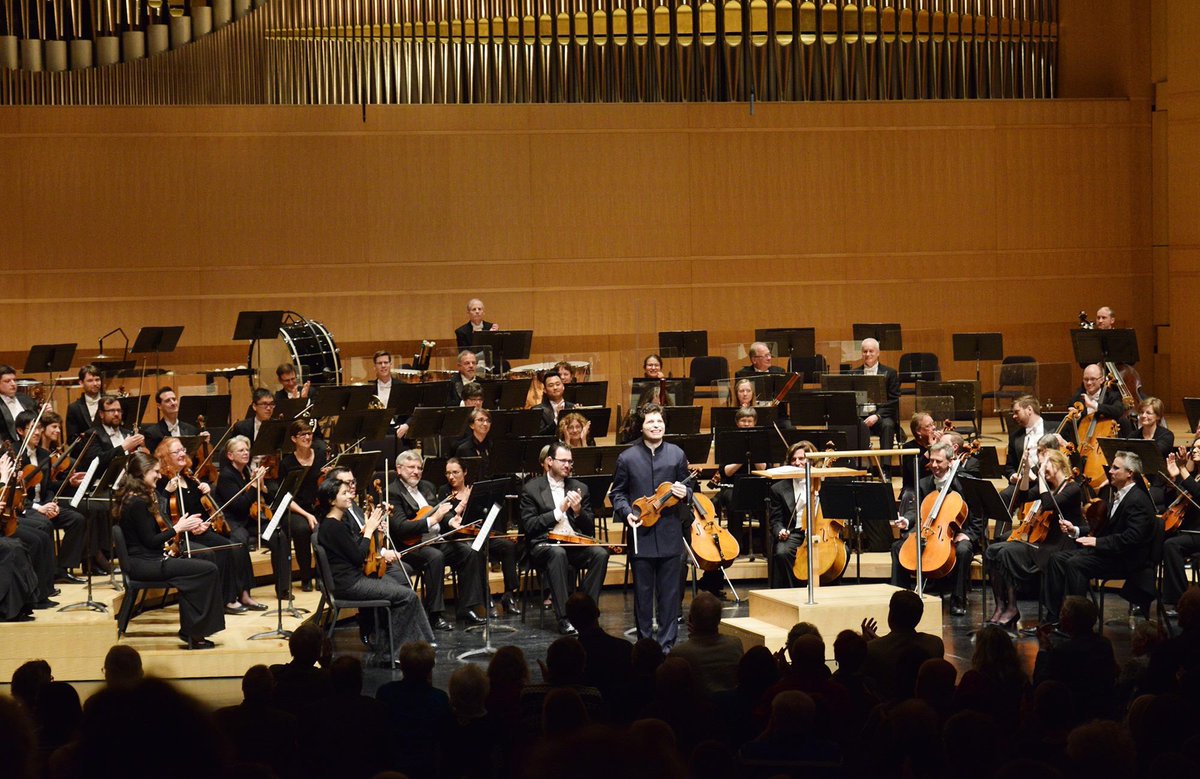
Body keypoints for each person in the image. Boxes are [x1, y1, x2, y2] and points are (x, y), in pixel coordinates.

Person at [314, 476, 434, 660]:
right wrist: (369, 530)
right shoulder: (332, 527)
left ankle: (423, 643)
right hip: (350, 584)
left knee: (402, 589)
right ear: (331, 500)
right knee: (407, 596)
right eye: (344, 493)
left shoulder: (336, 523)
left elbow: (352, 549)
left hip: (353, 578)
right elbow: (357, 557)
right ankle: (397, 651)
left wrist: (368, 531)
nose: (349, 496)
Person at [113, 451, 224, 648]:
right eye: (155, 472)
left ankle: (192, 631)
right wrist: (179, 528)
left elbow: (153, 532)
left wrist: (181, 525)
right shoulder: (137, 502)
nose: (159, 475)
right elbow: (151, 541)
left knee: (205, 565)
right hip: (145, 564)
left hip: (147, 560)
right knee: (207, 569)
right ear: (143, 472)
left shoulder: (136, 497)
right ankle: (194, 633)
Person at [611, 404, 691, 649]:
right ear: (641, 426)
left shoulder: (677, 454)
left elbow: (690, 489)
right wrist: (627, 513)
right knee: (643, 597)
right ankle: (645, 647)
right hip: (640, 534)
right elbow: (618, 494)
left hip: (670, 534)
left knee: (669, 597)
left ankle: (667, 646)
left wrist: (684, 491)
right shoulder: (627, 457)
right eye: (650, 422)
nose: (656, 426)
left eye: (659, 421)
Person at [155, 436, 264, 613]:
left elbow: (203, 511)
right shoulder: (163, 482)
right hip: (180, 536)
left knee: (237, 545)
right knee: (222, 548)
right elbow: (163, 514)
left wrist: (205, 517)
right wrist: (168, 493)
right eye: (177, 452)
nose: (183, 454)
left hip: (199, 531)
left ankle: (244, 594)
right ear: (166, 457)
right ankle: (226, 600)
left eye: (183, 450)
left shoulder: (189, 478)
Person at [1044, 451, 1156, 623]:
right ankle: (1055, 618)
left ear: (1129, 473)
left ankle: (1077, 622)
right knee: (1056, 559)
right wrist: (1075, 530)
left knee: (1076, 563)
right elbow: (1104, 527)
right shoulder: (1121, 494)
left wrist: (1097, 541)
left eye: (1115, 468)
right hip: (1110, 553)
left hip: (1127, 559)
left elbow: (1131, 538)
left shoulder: (1138, 499)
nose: (1110, 471)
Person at [984, 449, 1085, 629]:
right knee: (992, 550)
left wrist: (1039, 476)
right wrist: (1025, 472)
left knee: (1007, 552)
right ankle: (1003, 606)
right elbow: (1022, 496)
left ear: (1059, 464)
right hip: (1041, 542)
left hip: (1057, 546)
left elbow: (1048, 504)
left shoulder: (1072, 488)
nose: (1043, 468)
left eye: (1047, 464)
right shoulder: (1047, 486)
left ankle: (1012, 608)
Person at [388, 450, 487, 628]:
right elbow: (401, 528)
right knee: (435, 557)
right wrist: (433, 520)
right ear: (399, 469)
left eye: (419, 468)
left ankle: (467, 607)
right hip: (410, 545)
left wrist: (451, 520)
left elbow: (440, 509)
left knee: (468, 551)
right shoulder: (393, 492)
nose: (416, 472)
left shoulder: (426, 486)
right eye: (411, 467)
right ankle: (435, 614)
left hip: (436, 539)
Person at [520, 441, 608, 634]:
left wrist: (578, 512)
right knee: (557, 554)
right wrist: (557, 512)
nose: (568, 465)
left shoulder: (580, 488)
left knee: (600, 554)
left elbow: (589, 529)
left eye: (570, 461)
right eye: (563, 461)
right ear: (550, 461)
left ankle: (584, 610)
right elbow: (530, 526)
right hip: (544, 544)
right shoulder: (531, 489)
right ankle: (564, 618)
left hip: (573, 543)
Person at [890, 441, 984, 616]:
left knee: (962, 551)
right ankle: (899, 599)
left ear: (950, 461)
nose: (934, 465)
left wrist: (969, 535)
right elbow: (915, 510)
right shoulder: (924, 484)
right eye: (932, 461)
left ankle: (958, 600)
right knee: (897, 547)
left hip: (958, 535)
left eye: (939, 461)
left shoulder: (965, 483)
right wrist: (907, 521)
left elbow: (978, 516)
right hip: (931, 532)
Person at [12, 411, 87, 584]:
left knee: (77, 519)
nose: (37, 432)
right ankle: (44, 575)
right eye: (32, 429)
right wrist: (39, 508)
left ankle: (61, 569)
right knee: (44, 524)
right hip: (25, 508)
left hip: (43, 504)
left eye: (39, 428)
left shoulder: (44, 455)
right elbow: (14, 493)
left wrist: (52, 503)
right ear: (20, 431)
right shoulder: (13, 454)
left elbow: (47, 488)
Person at [439, 457, 520, 615]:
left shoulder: (475, 489)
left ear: (465, 472)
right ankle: (486, 597)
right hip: (458, 539)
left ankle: (509, 594)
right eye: (448, 473)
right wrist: (463, 505)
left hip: (477, 533)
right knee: (478, 550)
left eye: (455, 472)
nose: (451, 477)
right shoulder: (444, 492)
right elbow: (446, 518)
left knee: (508, 546)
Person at [861, 589, 945, 701]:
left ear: (891, 615)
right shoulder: (935, 643)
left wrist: (867, 644)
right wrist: (878, 641)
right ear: (918, 617)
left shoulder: (872, 649)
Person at [278, 419, 329, 591]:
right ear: (293, 439)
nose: (307, 437)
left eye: (309, 434)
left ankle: (322, 575)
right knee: (302, 529)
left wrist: (331, 476)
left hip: (318, 506)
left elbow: (327, 487)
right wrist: (307, 515)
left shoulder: (321, 456)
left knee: (327, 527)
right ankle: (306, 576)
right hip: (296, 509)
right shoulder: (286, 463)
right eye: (303, 435)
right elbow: (285, 497)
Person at [670, 591, 744, 694]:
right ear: (719, 620)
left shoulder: (679, 653)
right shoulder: (735, 645)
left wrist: (695, 637)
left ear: (690, 619)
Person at [768, 441, 816, 588]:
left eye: (802, 459)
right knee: (782, 552)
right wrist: (780, 530)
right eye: (793, 459)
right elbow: (775, 520)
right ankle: (794, 589)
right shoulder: (778, 488)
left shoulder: (823, 482)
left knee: (844, 553)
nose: (797, 463)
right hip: (795, 532)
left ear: (811, 460)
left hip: (819, 531)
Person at [1163, 438, 1200, 615]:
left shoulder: (1192, 477)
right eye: (1195, 446)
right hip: (1189, 530)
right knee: (1153, 535)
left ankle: (1180, 601)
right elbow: (1174, 502)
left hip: (1198, 532)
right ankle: (1141, 591)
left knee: (1172, 545)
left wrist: (1183, 469)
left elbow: (1198, 494)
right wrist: (1174, 477)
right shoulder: (1195, 476)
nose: (1195, 450)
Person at [851, 337, 901, 452]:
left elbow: (894, 400)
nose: (867, 354)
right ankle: (858, 465)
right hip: (861, 416)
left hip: (881, 416)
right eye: (865, 351)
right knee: (851, 426)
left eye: (871, 351)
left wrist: (877, 416)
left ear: (878, 353)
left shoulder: (890, 373)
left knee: (888, 425)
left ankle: (886, 468)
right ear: (861, 354)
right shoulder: (853, 373)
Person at [1126, 396, 1173, 509]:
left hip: (1157, 483)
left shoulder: (1166, 436)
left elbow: (1153, 453)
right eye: (1141, 412)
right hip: (1135, 480)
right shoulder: (1134, 435)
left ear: (1158, 416)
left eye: (1148, 413)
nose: (1143, 416)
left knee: (1138, 497)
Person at [142, 386, 203, 454]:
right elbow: (153, 461)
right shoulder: (152, 434)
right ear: (159, 406)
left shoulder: (192, 430)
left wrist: (203, 442)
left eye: (174, 399)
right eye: (168, 401)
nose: (173, 403)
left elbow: (195, 460)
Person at [0, 365, 38, 445]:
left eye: (14, 380)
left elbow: (37, 422)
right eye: (7, 381)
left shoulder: (26, 399)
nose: (13, 384)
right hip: (8, 449)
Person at [65, 364, 104, 441]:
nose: (95, 384)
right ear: (81, 383)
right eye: (90, 380)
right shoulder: (74, 408)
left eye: (97, 379)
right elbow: (71, 439)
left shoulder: (111, 402)